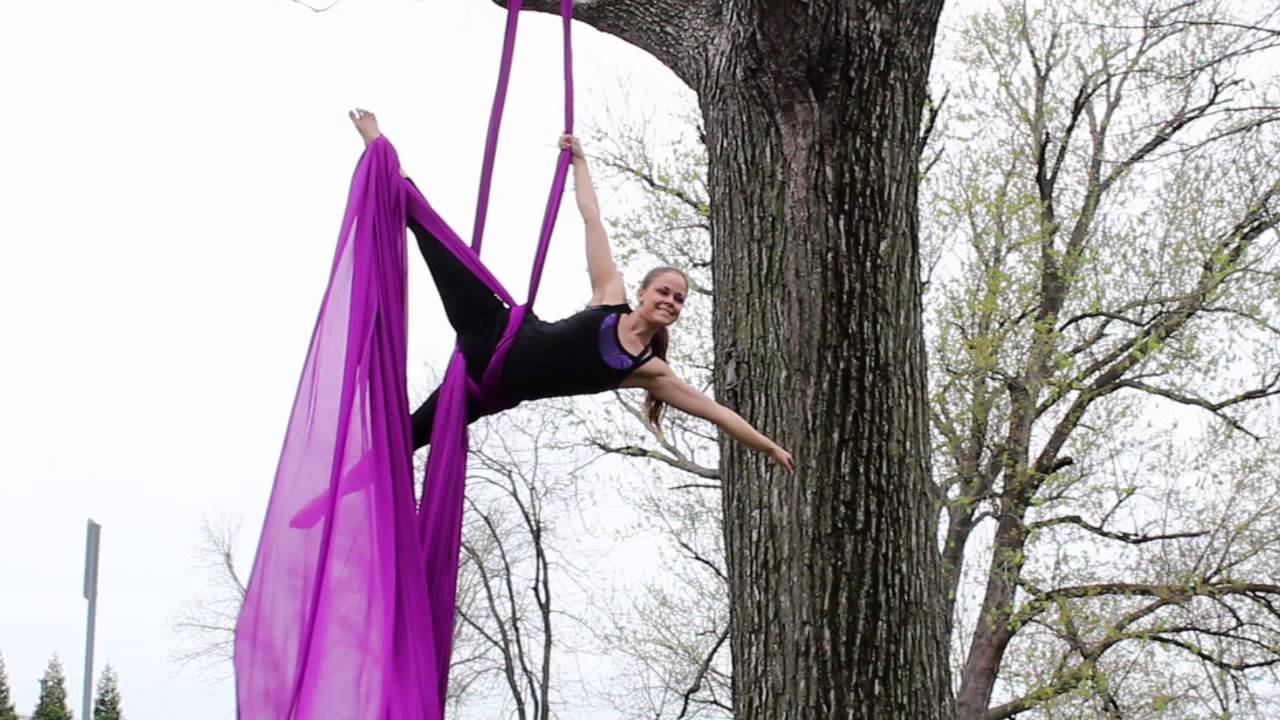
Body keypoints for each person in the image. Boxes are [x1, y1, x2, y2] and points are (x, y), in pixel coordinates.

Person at [351, 109, 794, 472]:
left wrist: (768, 447)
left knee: (403, 442)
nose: (671, 302)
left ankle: (322, 504)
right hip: (494, 328)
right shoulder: (609, 297)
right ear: (643, 293)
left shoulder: (647, 370)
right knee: (435, 238)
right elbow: (592, 218)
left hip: (485, 388)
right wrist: (580, 163)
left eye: (679, 300)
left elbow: (716, 413)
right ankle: (381, 149)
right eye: (665, 291)